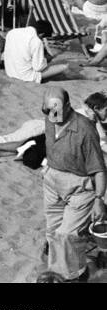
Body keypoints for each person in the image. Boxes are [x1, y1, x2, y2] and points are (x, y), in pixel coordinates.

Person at [41, 88, 107, 282]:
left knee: (67, 235)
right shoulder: (49, 119)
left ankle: (74, 275)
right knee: (53, 230)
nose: (52, 116)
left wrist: (98, 199)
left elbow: (99, 169)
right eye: (47, 111)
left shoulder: (85, 130)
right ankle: (60, 270)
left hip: (79, 187)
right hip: (52, 182)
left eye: (57, 111)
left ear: (68, 106)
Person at [3, 19, 68, 83]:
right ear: (41, 34)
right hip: (23, 76)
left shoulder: (12, 32)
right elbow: (38, 68)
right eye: (42, 38)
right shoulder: (36, 41)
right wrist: (46, 60)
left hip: (10, 71)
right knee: (63, 67)